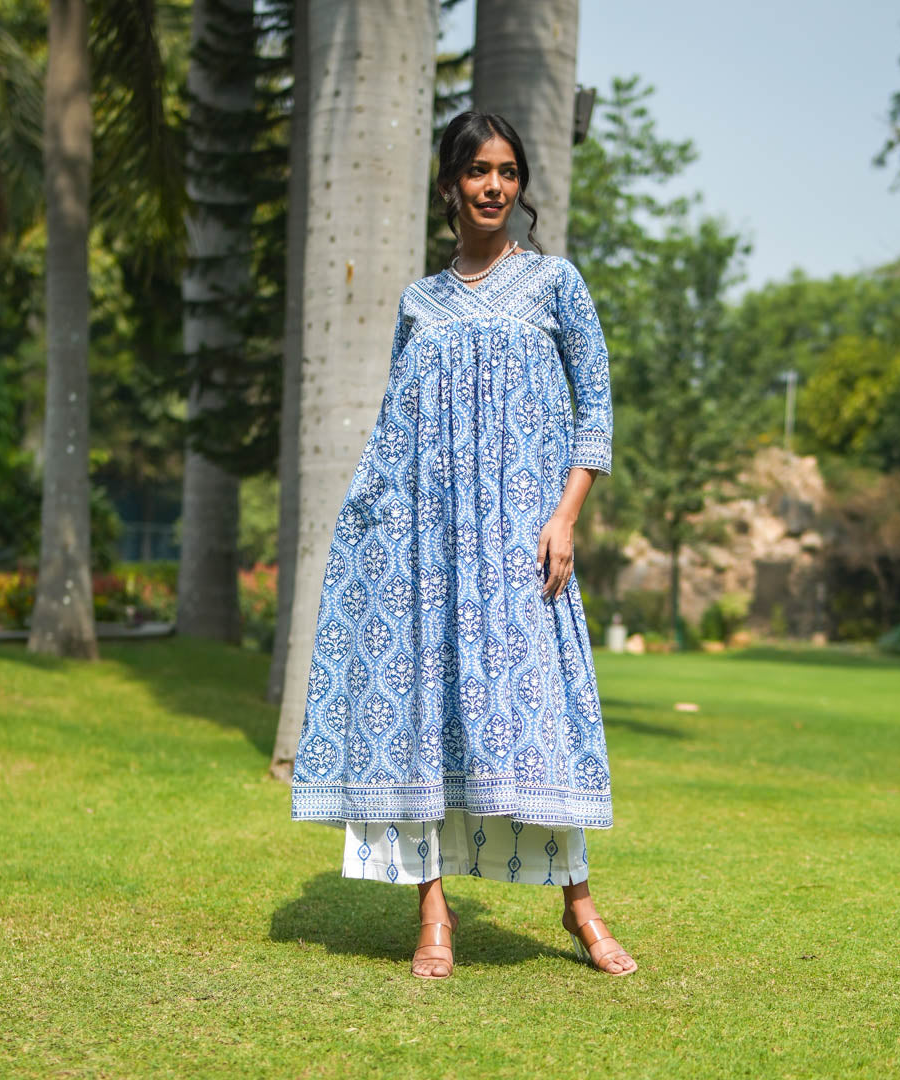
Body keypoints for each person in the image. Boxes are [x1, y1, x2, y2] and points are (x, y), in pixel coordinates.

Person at [290, 111, 636, 980]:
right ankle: (434, 914)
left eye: (508, 171)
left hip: (524, 544)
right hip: (434, 553)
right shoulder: (421, 303)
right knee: (429, 724)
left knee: (540, 721)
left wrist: (565, 517)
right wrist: (370, 533)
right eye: (478, 171)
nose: (493, 186)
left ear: (522, 185)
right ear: (450, 184)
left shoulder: (557, 283)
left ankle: (580, 908)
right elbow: (398, 431)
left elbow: (596, 411)